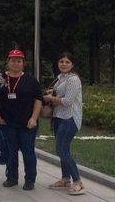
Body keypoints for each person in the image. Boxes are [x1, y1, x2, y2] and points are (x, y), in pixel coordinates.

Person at [0, 48, 42, 190]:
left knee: (28, 152)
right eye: (13, 60)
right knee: (10, 151)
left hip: (27, 123)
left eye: (19, 61)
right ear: (8, 62)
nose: (16, 63)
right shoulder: (0, 78)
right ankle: (11, 177)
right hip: (6, 122)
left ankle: (30, 180)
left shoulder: (30, 80)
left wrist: (34, 118)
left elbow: (38, 100)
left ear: (24, 63)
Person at [43, 52, 84, 195]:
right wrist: (53, 92)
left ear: (72, 64)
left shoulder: (73, 79)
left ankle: (78, 181)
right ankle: (66, 179)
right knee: (60, 149)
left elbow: (67, 101)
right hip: (58, 117)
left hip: (70, 118)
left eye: (67, 62)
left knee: (62, 150)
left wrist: (50, 98)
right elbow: (61, 94)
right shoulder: (60, 78)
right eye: (61, 61)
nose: (64, 64)